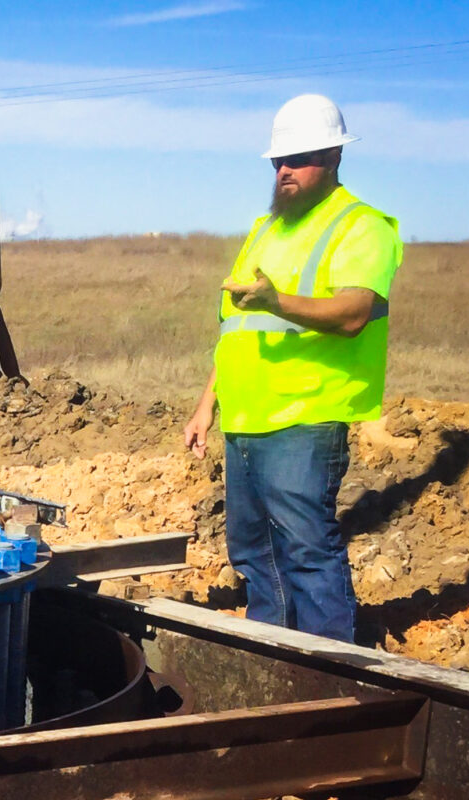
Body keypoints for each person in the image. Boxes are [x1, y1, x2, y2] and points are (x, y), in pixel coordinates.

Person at [183, 93, 402, 643]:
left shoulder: (361, 226)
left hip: (305, 417)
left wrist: (278, 302)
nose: (284, 170)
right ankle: (272, 653)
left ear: (332, 157)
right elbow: (236, 328)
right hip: (246, 417)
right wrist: (205, 407)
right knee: (254, 552)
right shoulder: (265, 230)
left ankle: (330, 667)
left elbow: (353, 313)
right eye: (278, 161)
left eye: (298, 159)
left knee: (307, 552)